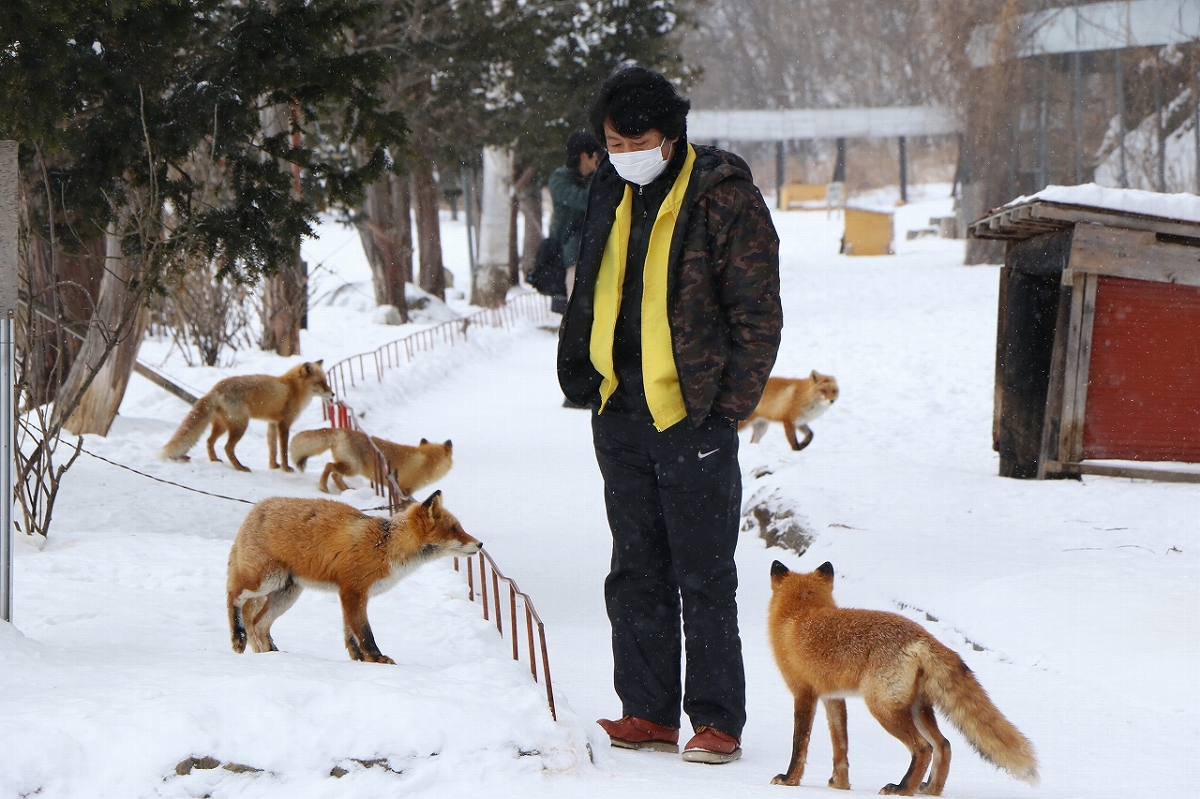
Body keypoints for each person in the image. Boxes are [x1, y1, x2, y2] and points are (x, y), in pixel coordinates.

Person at [556, 65, 783, 764]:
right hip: (619, 411)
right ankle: (647, 712)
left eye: (638, 139)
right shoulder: (607, 189)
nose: (625, 151)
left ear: (672, 134)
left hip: (693, 417)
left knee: (704, 573)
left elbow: (757, 313)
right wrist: (590, 380)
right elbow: (593, 284)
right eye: (613, 140)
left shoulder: (724, 197)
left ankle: (716, 719)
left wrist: (726, 411)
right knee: (635, 568)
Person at [548, 130, 602, 302]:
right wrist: (600, 177)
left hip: (595, 249)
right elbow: (585, 200)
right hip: (571, 253)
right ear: (584, 156)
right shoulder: (559, 179)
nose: (598, 161)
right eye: (596, 156)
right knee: (578, 305)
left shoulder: (592, 178)